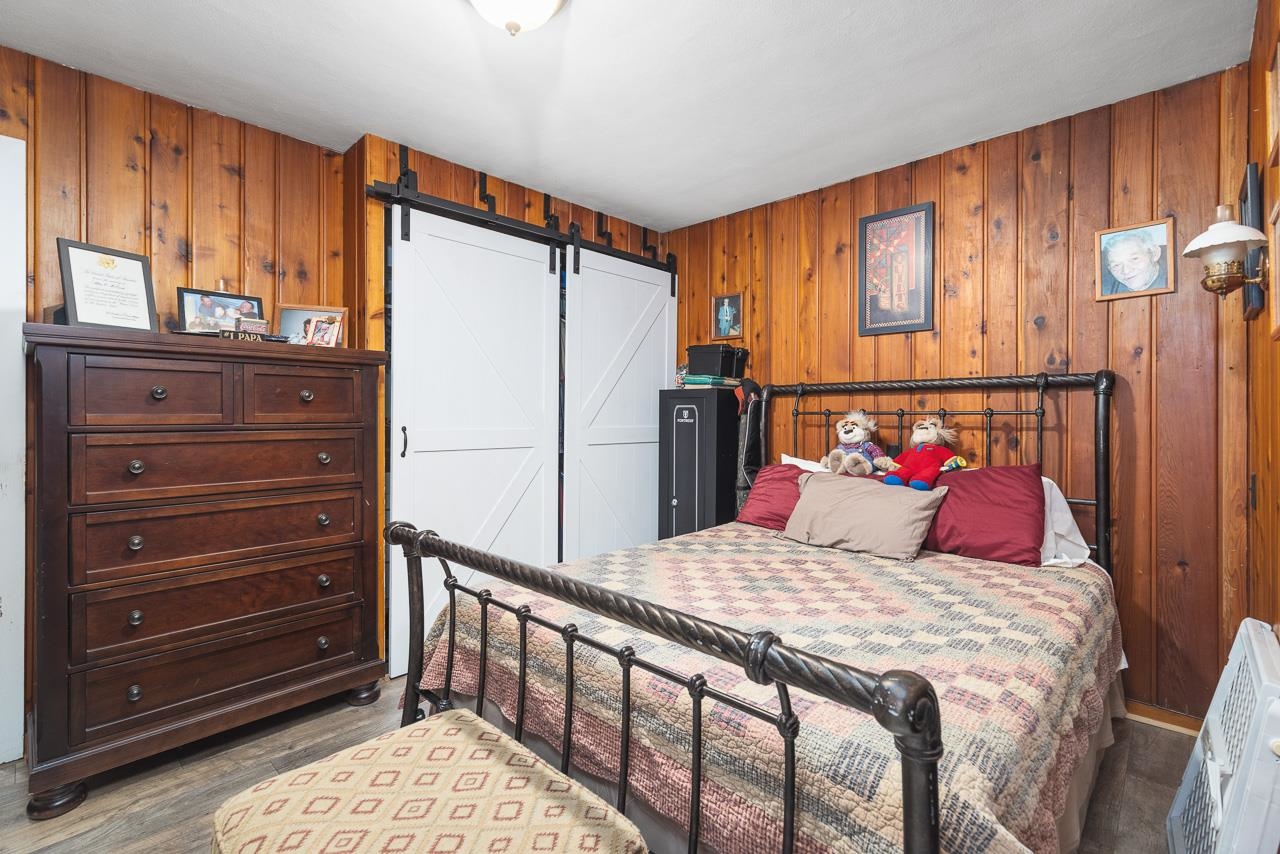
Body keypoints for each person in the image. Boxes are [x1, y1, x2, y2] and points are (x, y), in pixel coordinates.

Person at [1101, 228, 1168, 295]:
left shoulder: (1173, 280)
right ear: (1109, 269)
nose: (1126, 271)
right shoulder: (1104, 290)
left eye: (1134, 259)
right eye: (1116, 265)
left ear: (1155, 254)